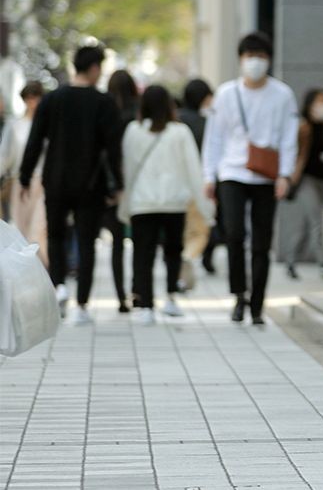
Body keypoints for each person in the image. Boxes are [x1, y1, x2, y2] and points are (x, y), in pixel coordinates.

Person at [19, 45, 124, 323]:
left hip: (55, 178)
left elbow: (36, 139)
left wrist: (25, 176)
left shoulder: (53, 99)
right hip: (91, 183)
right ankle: (82, 305)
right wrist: (118, 185)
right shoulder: (104, 103)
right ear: (93, 68)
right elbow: (113, 149)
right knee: (86, 240)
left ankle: (60, 287)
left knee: (56, 236)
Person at [202, 33, 298, 325]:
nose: (255, 62)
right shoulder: (226, 94)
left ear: (269, 60)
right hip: (232, 173)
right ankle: (238, 295)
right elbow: (214, 138)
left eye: (260, 56)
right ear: (240, 59)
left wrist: (285, 175)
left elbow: (288, 138)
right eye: (249, 56)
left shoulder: (283, 95)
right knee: (233, 234)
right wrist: (210, 175)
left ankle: (257, 303)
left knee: (261, 241)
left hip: (266, 177)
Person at [120, 85, 212, 324]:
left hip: (142, 203)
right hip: (174, 203)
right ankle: (171, 297)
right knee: (172, 251)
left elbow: (127, 170)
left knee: (143, 254)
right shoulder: (179, 132)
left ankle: (146, 305)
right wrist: (204, 207)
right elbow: (194, 171)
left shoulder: (133, 130)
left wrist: (125, 204)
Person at [278, 88, 323, 279]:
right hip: (305, 181)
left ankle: (291, 260)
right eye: (319, 101)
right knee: (316, 221)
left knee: (306, 224)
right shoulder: (302, 128)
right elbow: (293, 153)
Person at [102, 68, 140, 312]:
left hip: (111, 186)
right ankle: (137, 290)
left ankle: (120, 297)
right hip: (137, 184)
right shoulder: (138, 113)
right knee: (139, 240)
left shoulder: (106, 112)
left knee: (117, 242)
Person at [1, 81, 48, 266]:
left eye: (36, 98)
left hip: (43, 183)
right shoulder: (15, 126)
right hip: (20, 183)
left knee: (38, 231)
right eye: (29, 98)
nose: (33, 102)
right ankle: (27, 273)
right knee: (20, 230)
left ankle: (42, 271)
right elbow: (5, 156)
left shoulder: (47, 127)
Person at [178, 78, 221, 275]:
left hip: (179, 181)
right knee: (204, 223)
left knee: (180, 225)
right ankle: (200, 257)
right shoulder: (205, 123)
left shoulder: (175, 120)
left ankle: (181, 258)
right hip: (201, 181)